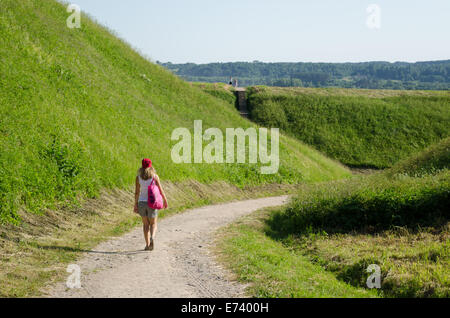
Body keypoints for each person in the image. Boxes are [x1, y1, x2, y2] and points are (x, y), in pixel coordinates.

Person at [134, 158, 168, 251]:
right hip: (151, 203)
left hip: (141, 202)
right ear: (150, 166)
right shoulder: (154, 176)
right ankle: (152, 237)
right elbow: (160, 190)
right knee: (153, 224)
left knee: (145, 225)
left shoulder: (138, 177)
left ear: (142, 166)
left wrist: (135, 204)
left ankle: (147, 244)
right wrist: (165, 200)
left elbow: (137, 192)